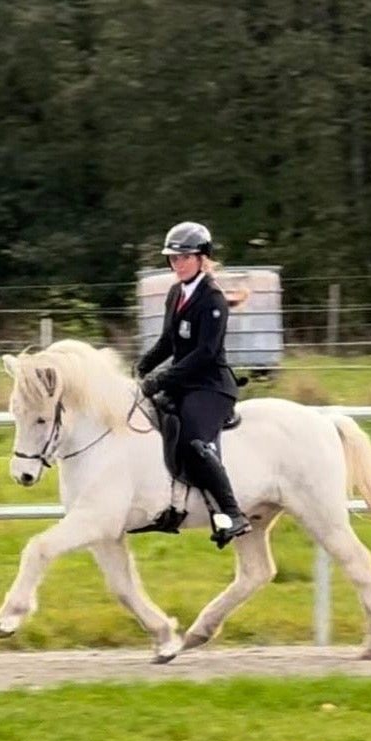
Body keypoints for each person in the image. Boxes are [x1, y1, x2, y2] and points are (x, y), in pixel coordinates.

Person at [132, 221, 252, 547]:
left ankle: (232, 512)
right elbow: (169, 341)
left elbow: (204, 354)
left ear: (202, 258)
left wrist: (161, 379)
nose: (177, 264)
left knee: (194, 441)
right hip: (184, 383)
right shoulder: (176, 293)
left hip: (211, 386)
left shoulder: (211, 298)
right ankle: (170, 503)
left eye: (184, 258)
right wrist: (141, 367)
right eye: (173, 258)